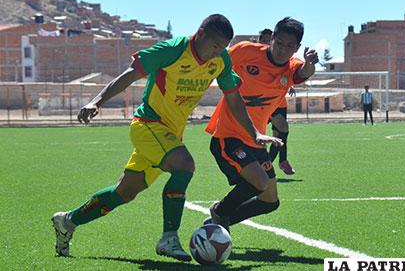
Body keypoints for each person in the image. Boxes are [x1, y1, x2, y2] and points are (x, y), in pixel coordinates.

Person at [51, 14, 281, 262]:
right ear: (200, 34)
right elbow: (131, 73)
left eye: (222, 48)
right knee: (185, 164)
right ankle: (168, 239)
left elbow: (234, 97)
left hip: (169, 135)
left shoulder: (220, 60)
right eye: (215, 46)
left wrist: (254, 132)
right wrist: (97, 101)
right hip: (148, 125)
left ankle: (67, 221)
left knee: (125, 192)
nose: (217, 52)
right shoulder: (172, 50)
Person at [204, 17, 318, 231]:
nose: (283, 50)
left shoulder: (291, 68)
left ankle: (217, 224)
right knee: (260, 182)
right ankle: (220, 212)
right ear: (272, 38)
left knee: (270, 200)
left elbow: (304, 73)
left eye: (290, 47)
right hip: (228, 135)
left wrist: (310, 63)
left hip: (257, 140)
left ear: (297, 48)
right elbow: (214, 65)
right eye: (280, 42)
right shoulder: (245, 51)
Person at [259, 27, 298, 175]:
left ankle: (270, 164)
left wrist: (291, 83)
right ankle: (277, 162)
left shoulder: (279, 56)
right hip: (263, 103)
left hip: (279, 103)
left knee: (280, 133)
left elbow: (287, 71)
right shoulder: (256, 57)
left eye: (270, 39)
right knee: (282, 129)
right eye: (265, 39)